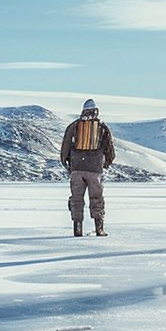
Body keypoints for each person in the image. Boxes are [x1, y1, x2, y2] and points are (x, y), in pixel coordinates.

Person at [60, 98, 116, 237]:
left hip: (77, 169)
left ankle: (77, 229)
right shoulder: (102, 128)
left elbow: (64, 149)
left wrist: (69, 165)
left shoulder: (73, 126)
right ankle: (99, 229)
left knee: (76, 199)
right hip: (95, 170)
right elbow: (110, 150)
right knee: (96, 199)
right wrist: (105, 164)